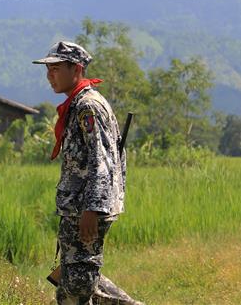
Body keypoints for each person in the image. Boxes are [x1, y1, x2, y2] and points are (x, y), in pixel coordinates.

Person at [33, 41, 142, 305]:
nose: (50, 76)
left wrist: (92, 209)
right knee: (76, 276)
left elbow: (101, 160)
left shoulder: (88, 106)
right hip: (76, 208)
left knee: (77, 285)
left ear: (76, 69)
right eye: (48, 69)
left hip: (86, 209)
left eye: (56, 68)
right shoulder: (77, 104)